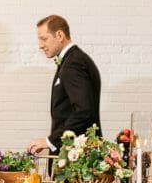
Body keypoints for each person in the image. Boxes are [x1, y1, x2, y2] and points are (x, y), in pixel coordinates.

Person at [29, 15, 101, 155]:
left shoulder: (74, 63)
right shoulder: (72, 59)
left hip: (75, 157)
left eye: (44, 39)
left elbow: (84, 111)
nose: (40, 45)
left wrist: (50, 141)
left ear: (60, 35)